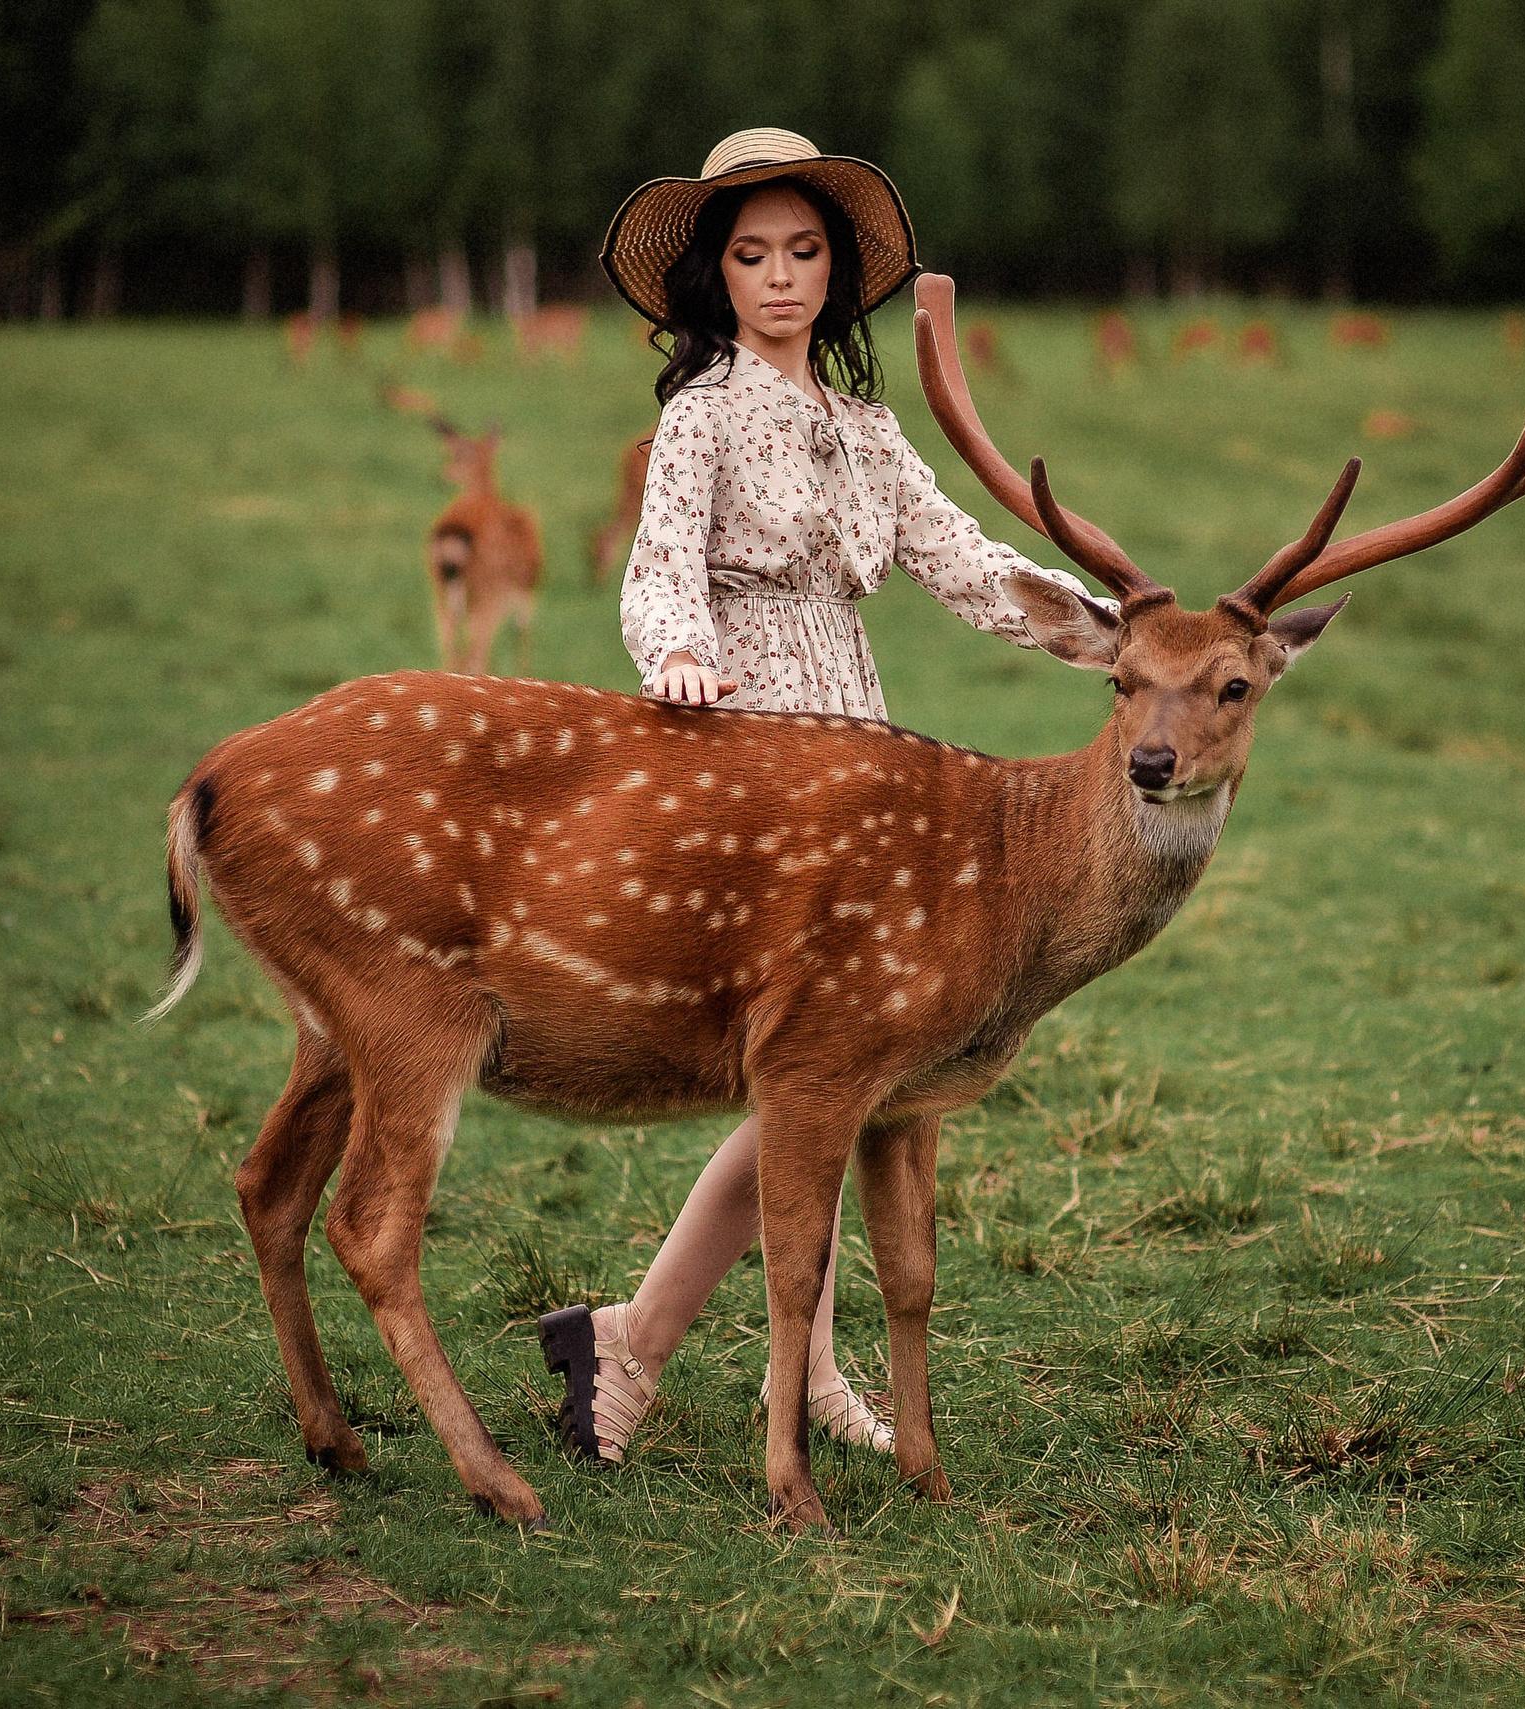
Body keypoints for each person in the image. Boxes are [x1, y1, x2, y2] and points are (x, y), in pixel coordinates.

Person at [537, 127, 1109, 1465]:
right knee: (821, 1074)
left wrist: (1114, 635)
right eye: (751, 256)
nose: (780, 278)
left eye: (803, 252)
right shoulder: (701, 415)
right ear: (715, 277)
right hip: (738, 744)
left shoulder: (867, 431)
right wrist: (675, 654)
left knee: (839, 1069)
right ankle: (637, 1342)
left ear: (836, 272)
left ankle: (781, 1365)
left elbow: (964, 561)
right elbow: (659, 565)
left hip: (856, 748)